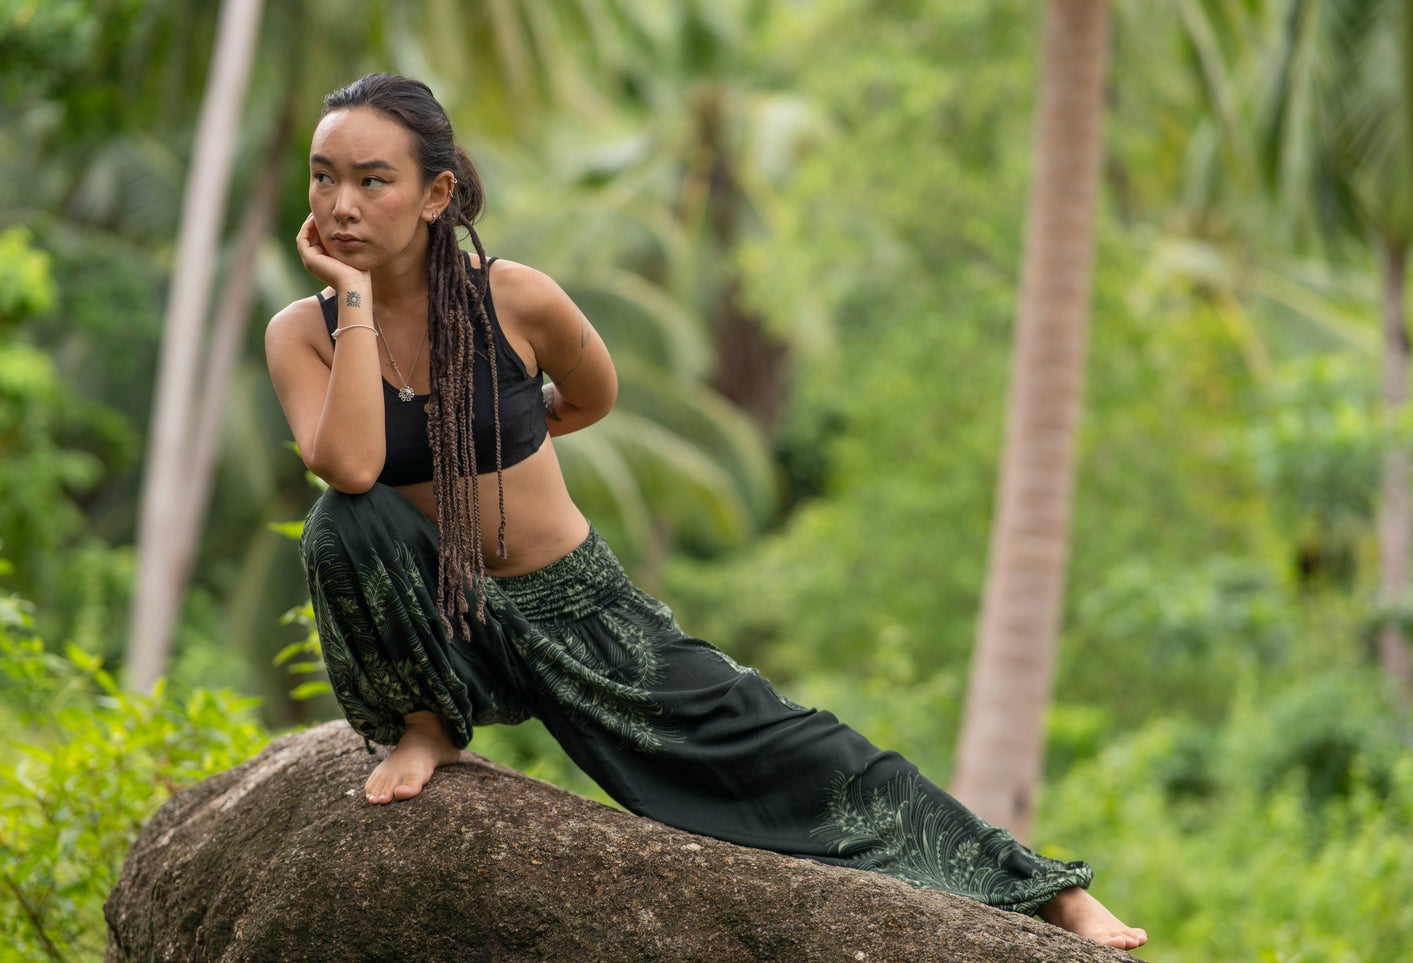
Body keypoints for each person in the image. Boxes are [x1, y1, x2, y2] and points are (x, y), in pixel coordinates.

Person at [265, 72, 1148, 951]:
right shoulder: (301, 333)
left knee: (804, 748)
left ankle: (1045, 894)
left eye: (371, 179)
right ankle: (428, 724)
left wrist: (503, 435)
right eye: (322, 176)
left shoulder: (515, 298)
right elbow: (351, 463)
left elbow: (590, 393)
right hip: (447, 619)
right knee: (345, 522)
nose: (340, 204)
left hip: (579, 608)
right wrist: (352, 300)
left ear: (436, 194)